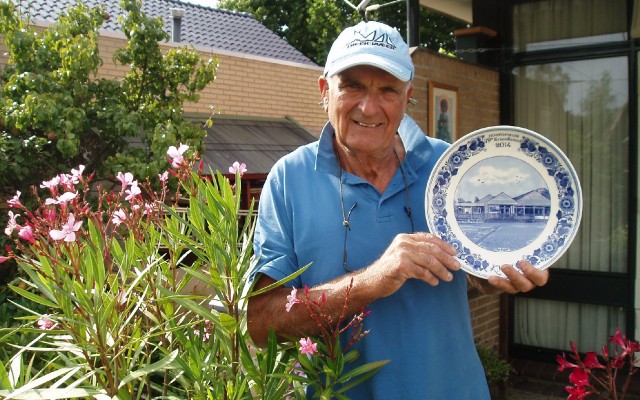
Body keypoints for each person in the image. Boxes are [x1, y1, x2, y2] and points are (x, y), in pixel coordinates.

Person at [247, 20, 549, 399]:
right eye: (352, 85)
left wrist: (495, 273)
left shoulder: (451, 167)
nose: (368, 106)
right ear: (325, 91)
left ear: (407, 97)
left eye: (387, 89)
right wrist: (373, 280)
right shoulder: (288, 179)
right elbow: (261, 324)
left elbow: (475, 268)